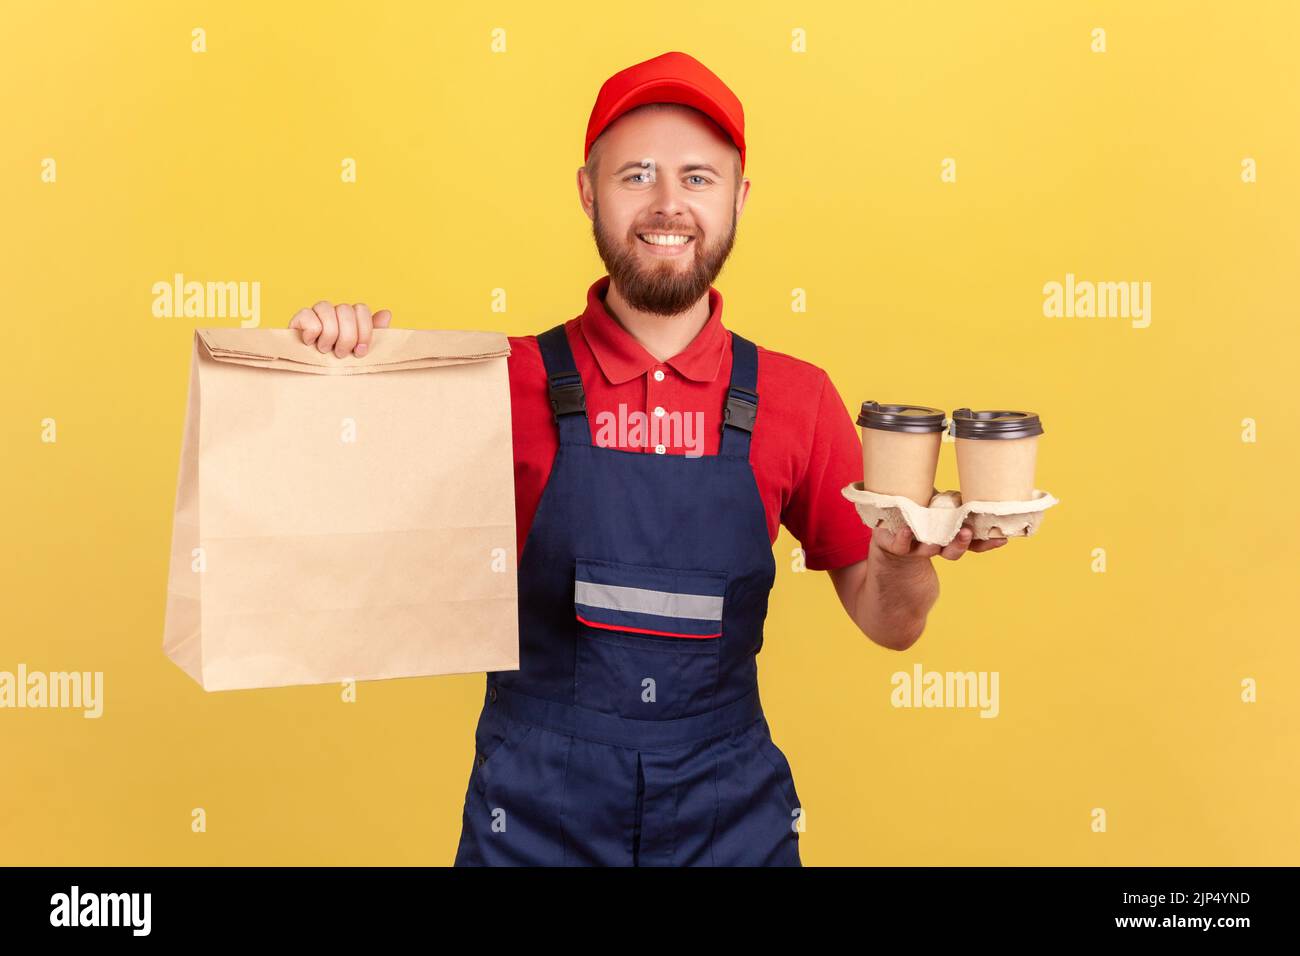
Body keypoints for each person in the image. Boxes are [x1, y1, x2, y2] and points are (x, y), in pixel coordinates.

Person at [287, 51, 1005, 866]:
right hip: (530, 821)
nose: (670, 205)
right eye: (637, 175)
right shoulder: (502, 382)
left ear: (739, 197)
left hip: (728, 819)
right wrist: (331, 371)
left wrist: (899, 553)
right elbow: (342, 536)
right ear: (589, 190)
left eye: (698, 177)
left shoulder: (798, 399)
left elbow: (892, 623)